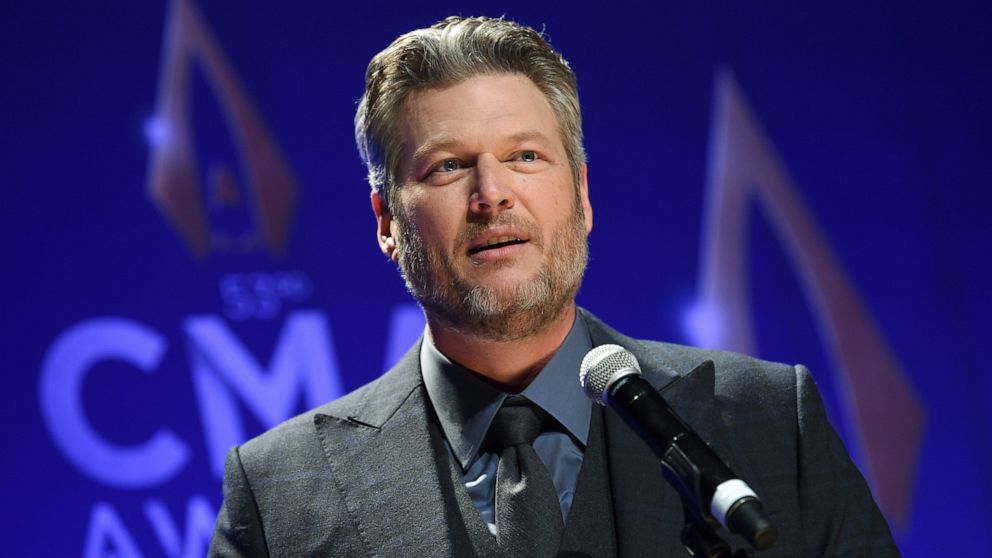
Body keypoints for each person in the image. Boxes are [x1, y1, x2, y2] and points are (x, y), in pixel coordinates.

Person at [209, 16, 898, 557]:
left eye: (525, 156)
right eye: (448, 167)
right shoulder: (279, 493)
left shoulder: (769, 422)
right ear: (388, 222)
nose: (492, 194)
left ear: (582, 195)